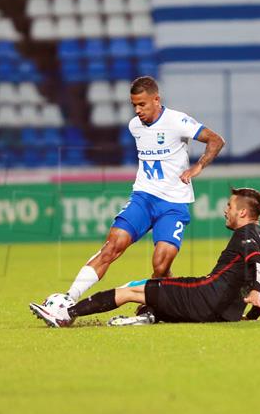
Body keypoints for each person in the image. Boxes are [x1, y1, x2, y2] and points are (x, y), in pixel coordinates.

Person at [33, 76, 226, 308]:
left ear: (156, 99)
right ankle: (69, 298)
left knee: (161, 265)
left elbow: (216, 140)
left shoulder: (177, 121)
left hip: (173, 204)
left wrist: (199, 166)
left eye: (142, 104)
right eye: (134, 105)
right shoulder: (134, 126)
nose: (137, 110)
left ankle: (163, 304)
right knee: (112, 246)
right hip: (143, 198)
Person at [30, 188, 260, 327]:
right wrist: (250, 315)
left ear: (242, 212)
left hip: (204, 295)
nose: (225, 210)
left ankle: (66, 313)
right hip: (222, 313)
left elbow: (256, 264)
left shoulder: (247, 233)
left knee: (131, 289)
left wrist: (253, 291)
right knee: (159, 295)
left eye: (229, 206)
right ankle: (148, 317)